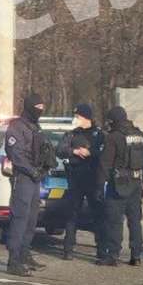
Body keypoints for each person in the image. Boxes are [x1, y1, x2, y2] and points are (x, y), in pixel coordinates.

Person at [96, 106, 143, 266]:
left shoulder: (114, 137)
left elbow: (105, 164)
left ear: (113, 120)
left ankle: (112, 255)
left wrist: (100, 186)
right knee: (135, 221)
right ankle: (136, 255)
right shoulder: (141, 136)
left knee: (115, 221)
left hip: (118, 184)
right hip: (136, 183)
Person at [4, 92, 47, 276]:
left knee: (31, 219)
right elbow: (16, 154)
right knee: (20, 218)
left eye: (42, 109)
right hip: (23, 178)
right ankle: (13, 260)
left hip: (35, 178)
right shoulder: (16, 127)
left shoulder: (35, 127)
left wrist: (46, 162)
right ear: (30, 107)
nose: (40, 111)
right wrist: (32, 170)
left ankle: (24, 253)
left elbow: (41, 150)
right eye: (37, 108)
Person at [57, 103, 105, 261]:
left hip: (92, 179)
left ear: (86, 117)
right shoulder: (72, 135)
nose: (75, 119)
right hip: (75, 179)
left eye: (78, 117)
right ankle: (68, 249)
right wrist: (74, 151)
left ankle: (101, 249)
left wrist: (90, 153)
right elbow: (60, 150)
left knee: (97, 215)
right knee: (72, 215)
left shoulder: (99, 135)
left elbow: (105, 153)